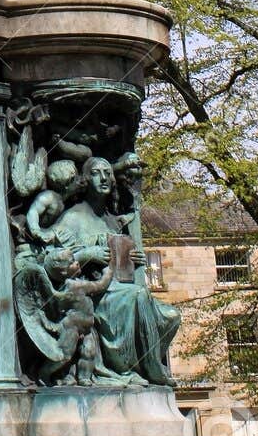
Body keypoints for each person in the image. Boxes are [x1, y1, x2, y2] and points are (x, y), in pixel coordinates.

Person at [52, 156, 179, 385]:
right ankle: (152, 370)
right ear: (84, 179)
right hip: (95, 295)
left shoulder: (112, 220)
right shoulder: (72, 218)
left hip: (119, 290)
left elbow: (121, 260)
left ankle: (137, 365)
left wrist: (134, 259)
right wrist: (86, 254)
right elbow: (54, 263)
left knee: (172, 316)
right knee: (139, 296)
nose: (103, 178)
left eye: (107, 173)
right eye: (96, 173)